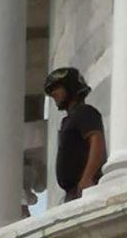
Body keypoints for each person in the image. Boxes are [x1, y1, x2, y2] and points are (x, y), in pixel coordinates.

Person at [43, 67, 105, 202]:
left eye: (57, 88)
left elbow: (97, 142)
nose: (53, 94)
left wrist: (87, 177)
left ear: (70, 87)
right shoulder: (68, 120)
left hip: (85, 189)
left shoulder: (85, 112)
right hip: (73, 192)